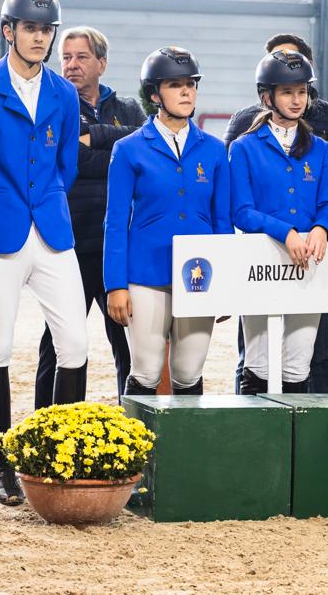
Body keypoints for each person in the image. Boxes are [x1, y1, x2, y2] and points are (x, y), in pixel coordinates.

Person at [0, 0, 86, 506]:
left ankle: (53, 454)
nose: (39, 37)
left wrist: (48, 200)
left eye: (46, 29)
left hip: (52, 229)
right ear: (8, 31)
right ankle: (3, 466)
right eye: (30, 28)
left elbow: (67, 167)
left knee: (74, 343)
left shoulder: (64, 92)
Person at [224, 34, 328, 395]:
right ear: (268, 97)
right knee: (258, 362)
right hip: (261, 261)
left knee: (299, 362)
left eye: (302, 91)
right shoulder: (245, 147)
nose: (297, 100)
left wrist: (323, 229)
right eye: (287, 92)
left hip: (308, 260)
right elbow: (241, 211)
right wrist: (286, 232)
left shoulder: (321, 148)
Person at [104, 47, 232, 394]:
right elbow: (115, 222)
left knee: (189, 372)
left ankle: (188, 449)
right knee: (145, 371)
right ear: (154, 94)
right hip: (146, 275)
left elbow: (223, 221)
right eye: (176, 85)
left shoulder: (215, 149)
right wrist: (115, 285)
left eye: (191, 84)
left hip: (200, 276)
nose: (187, 91)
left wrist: (226, 286)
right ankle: (139, 449)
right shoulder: (129, 149)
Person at [33, 26, 145, 407]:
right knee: (59, 345)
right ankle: (46, 429)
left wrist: (94, 136)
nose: (71, 65)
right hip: (70, 246)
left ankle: (134, 430)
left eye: (81, 57)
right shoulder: (55, 105)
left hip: (117, 248)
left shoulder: (128, 107)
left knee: (129, 347)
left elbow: (143, 143)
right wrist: (116, 151)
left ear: (102, 62)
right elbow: (72, 162)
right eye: (65, 57)